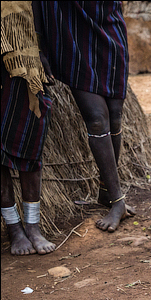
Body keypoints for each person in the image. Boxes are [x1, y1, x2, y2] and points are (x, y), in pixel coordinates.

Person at [36, 1, 131, 232]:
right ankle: (118, 202)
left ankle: (106, 192)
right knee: (97, 120)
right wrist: (39, 47)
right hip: (71, 38)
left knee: (115, 118)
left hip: (110, 31)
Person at [1, 0, 56, 255]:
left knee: (30, 144)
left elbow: (38, 10)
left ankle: (33, 226)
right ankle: (14, 228)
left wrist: (42, 51)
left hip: (24, 62)